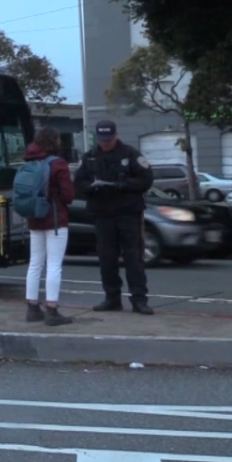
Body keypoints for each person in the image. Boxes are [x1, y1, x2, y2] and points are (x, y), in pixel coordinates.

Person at [73, 119, 155, 315]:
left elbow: (146, 179)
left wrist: (122, 185)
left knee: (133, 257)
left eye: (108, 139)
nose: (105, 143)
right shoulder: (90, 157)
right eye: (102, 140)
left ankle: (139, 300)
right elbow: (79, 183)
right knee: (107, 258)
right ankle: (112, 298)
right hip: (103, 214)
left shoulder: (130, 154)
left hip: (128, 213)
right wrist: (92, 188)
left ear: (115, 135)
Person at [21, 126, 75, 326]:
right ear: (55, 142)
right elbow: (68, 196)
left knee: (35, 263)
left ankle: (32, 308)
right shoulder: (58, 164)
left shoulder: (29, 160)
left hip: (34, 218)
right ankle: (52, 309)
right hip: (55, 220)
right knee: (54, 265)